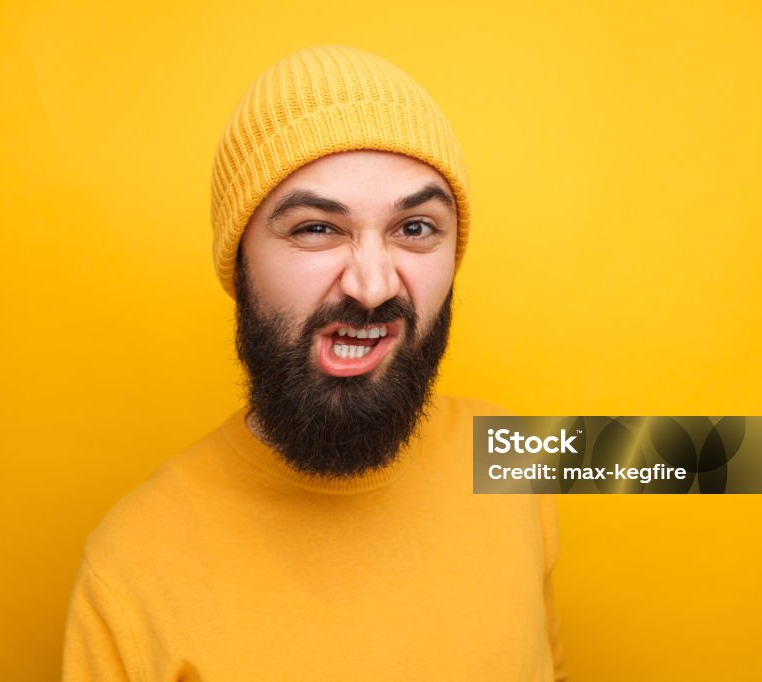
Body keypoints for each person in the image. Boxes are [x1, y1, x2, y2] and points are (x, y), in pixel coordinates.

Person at [62, 45, 565, 681]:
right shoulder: (129, 570)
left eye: (415, 228)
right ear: (239, 263)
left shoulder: (513, 457)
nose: (374, 285)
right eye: (315, 229)